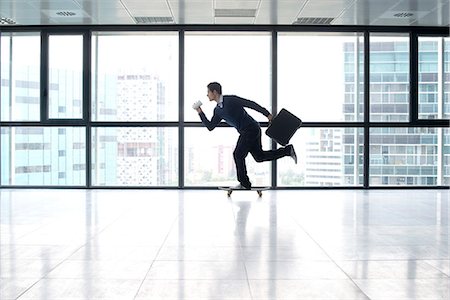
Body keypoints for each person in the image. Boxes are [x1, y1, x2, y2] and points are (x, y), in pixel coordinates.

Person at [194, 82, 297, 189]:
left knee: (238, 154)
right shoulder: (218, 111)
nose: (207, 95)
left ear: (214, 92)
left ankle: (244, 183)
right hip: (249, 130)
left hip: (250, 128)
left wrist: (267, 114)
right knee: (259, 157)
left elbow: (250, 104)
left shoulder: (231, 100)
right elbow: (210, 126)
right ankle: (287, 150)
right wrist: (200, 111)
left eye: (208, 92)